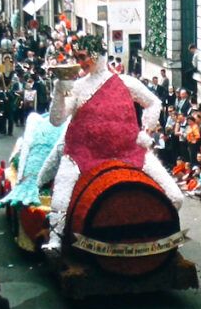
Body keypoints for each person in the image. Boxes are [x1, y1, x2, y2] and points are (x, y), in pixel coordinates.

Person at [43, 33, 183, 252]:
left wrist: (146, 131)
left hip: (129, 150)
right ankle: (55, 241)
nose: (80, 62)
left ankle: (154, 233)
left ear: (96, 55)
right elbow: (57, 119)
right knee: (61, 195)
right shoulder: (77, 87)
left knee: (175, 196)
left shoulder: (126, 82)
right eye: (77, 57)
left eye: (82, 56)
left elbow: (154, 103)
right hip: (82, 152)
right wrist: (59, 93)